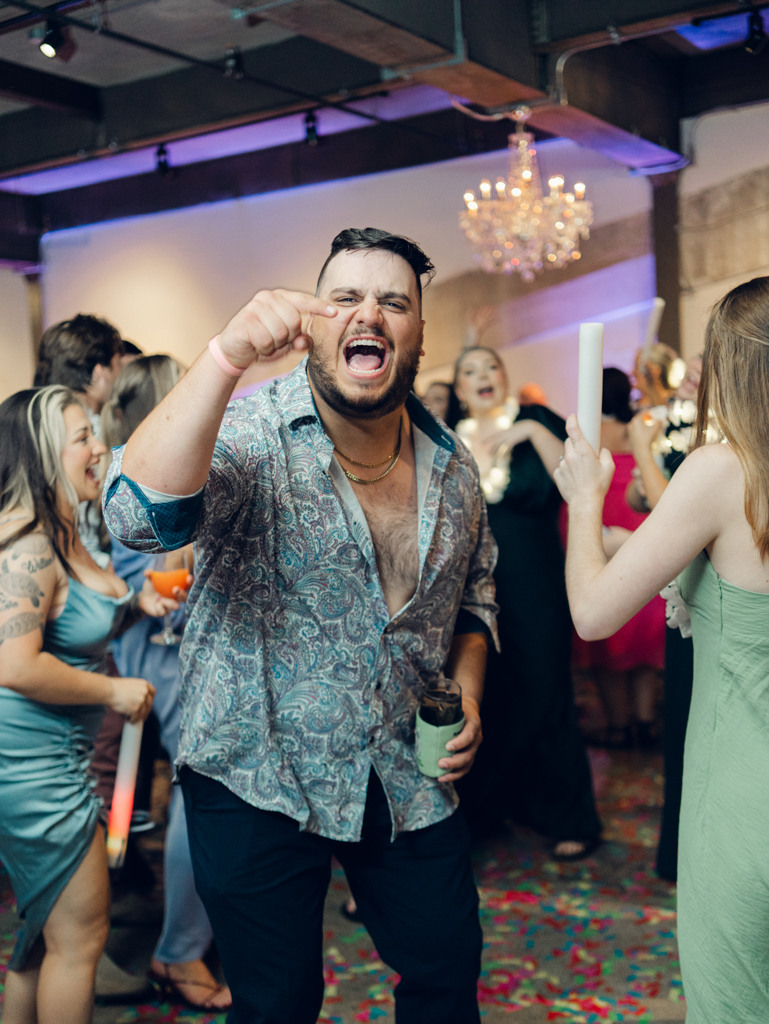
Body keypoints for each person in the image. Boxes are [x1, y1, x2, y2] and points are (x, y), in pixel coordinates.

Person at [103, 227, 499, 1024]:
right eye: (345, 298)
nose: (371, 315)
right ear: (313, 323)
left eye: (395, 302)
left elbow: (473, 598)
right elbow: (134, 517)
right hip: (256, 772)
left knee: (447, 973)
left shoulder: (454, 468)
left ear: (420, 332)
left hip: (401, 769)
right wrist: (224, 356)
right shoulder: (248, 436)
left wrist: (469, 686)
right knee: (278, 1003)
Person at [554, 276, 769, 1023]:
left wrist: (585, 498)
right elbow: (698, 563)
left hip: (746, 802)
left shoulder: (722, 469)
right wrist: (618, 538)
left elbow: (591, 612)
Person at [0, 386, 173, 1024]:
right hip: (32, 769)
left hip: (59, 759)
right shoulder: (27, 544)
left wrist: (133, 606)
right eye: (82, 438)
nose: (99, 448)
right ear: (45, 455)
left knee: (40, 942)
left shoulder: (64, 528)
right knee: (79, 940)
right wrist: (113, 690)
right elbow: (14, 664)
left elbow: (70, 625)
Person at [102, 356, 232, 1011]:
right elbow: (168, 568)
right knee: (199, 792)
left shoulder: (113, 466)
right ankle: (180, 950)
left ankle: (169, 938)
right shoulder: (165, 470)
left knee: (165, 794)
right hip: (167, 648)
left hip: (130, 646)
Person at [452, 346, 601, 858]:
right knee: (489, 696)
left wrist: (525, 432)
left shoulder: (534, 419)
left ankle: (569, 816)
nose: (482, 376)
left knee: (546, 687)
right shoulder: (448, 438)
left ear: (505, 374)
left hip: (536, 581)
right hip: (474, 584)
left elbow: (579, 477)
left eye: (489, 366)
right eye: (469, 371)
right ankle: (490, 810)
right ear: (459, 389)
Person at [625, 353, 702, 879]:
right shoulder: (679, 425)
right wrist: (648, 453)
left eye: (702, 366)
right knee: (681, 725)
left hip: (713, 598)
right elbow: (640, 497)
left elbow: (670, 507)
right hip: (685, 597)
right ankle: (681, 851)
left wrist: (635, 444)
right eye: (690, 367)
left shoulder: (726, 439)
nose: (691, 373)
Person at [573, 368, 666, 750]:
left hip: (607, 522)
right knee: (642, 638)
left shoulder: (589, 432)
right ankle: (645, 722)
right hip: (643, 530)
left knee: (608, 639)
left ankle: (618, 724)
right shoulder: (642, 427)